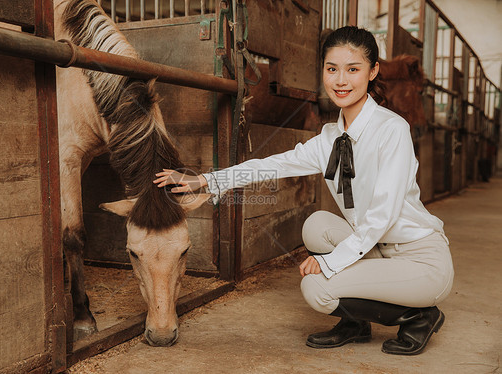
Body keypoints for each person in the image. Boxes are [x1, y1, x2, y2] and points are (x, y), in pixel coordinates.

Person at [153, 26, 454, 356]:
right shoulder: (329, 139)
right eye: (331, 69)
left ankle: (420, 316)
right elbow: (272, 165)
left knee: (317, 288)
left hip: (420, 260)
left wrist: (330, 264)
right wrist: (206, 180)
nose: (341, 81)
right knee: (316, 226)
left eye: (353, 69)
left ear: (373, 72)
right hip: (379, 248)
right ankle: (356, 323)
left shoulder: (392, 130)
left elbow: (380, 216)